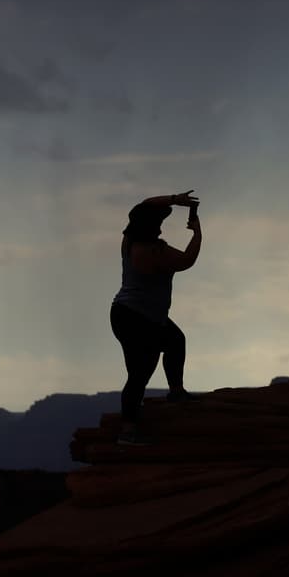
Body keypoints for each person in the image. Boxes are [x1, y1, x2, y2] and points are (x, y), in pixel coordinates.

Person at [110, 190, 203, 446]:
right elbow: (187, 260)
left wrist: (174, 199)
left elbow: (145, 204)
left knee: (174, 342)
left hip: (126, 314)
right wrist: (197, 233)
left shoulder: (129, 240)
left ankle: (175, 393)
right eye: (160, 222)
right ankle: (128, 431)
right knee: (141, 371)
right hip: (139, 319)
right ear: (152, 226)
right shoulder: (153, 251)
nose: (162, 226)